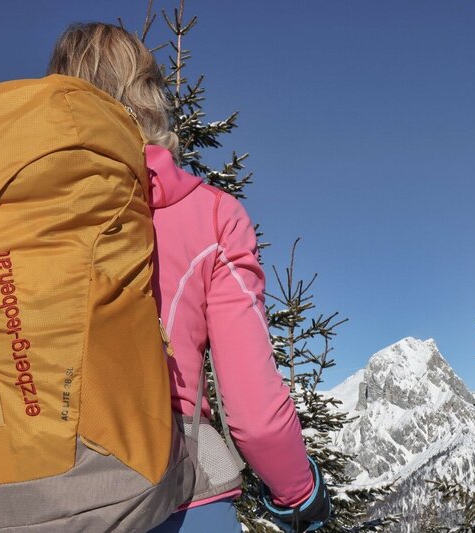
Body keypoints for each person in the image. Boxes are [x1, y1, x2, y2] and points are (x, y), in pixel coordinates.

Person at [47, 22, 331, 533]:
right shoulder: (211, 217)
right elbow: (255, 415)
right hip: (170, 493)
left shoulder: (9, 215)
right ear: (150, 97)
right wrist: (301, 494)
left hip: (17, 489)